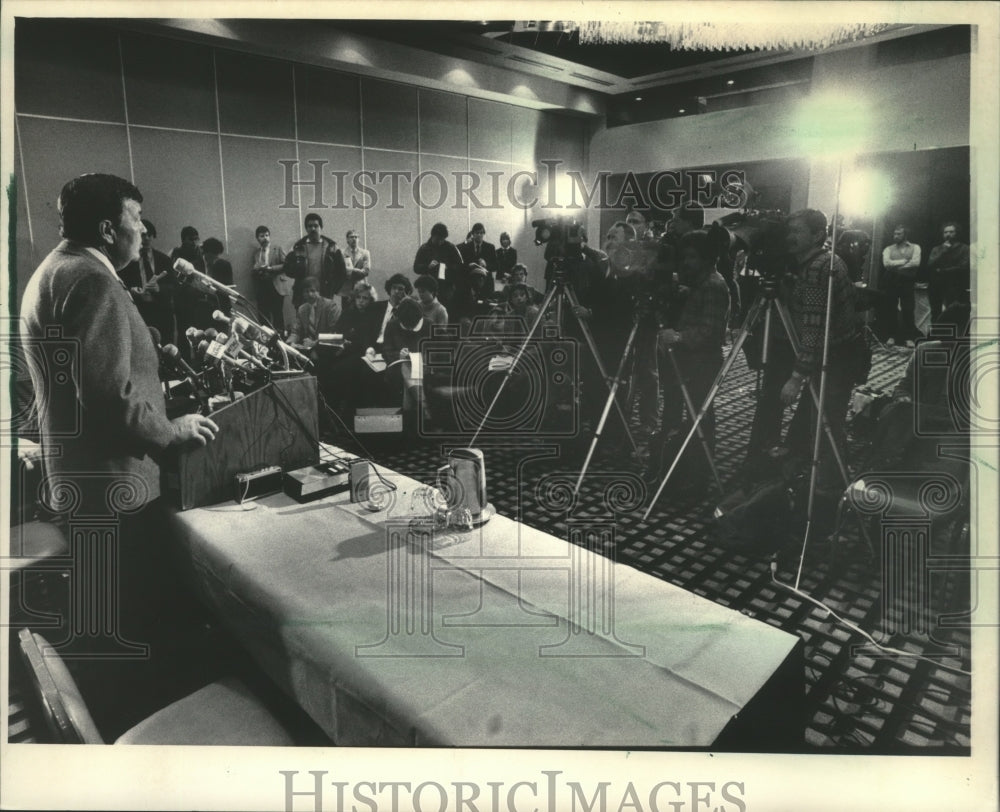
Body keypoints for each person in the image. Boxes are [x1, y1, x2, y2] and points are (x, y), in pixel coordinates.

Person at [20, 173, 219, 734]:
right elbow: (109, 399)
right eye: (136, 219)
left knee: (104, 609)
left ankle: (113, 709)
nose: (143, 229)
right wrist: (171, 431)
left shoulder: (52, 271)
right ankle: (150, 725)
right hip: (111, 482)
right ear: (109, 229)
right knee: (133, 615)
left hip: (80, 474)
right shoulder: (93, 282)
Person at [745, 208, 869, 484]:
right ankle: (815, 480)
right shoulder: (825, 261)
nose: (790, 238)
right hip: (841, 352)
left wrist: (796, 377)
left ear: (817, 235)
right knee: (820, 421)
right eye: (789, 231)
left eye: (797, 232)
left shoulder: (816, 269)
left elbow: (814, 329)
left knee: (826, 423)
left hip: (836, 356)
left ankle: (830, 485)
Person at [647, 230, 731, 489]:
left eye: (692, 257)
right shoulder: (696, 282)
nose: (686, 263)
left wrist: (678, 336)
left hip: (702, 362)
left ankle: (697, 475)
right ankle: (668, 467)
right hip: (683, 360)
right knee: (672, 412)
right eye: (684, 257)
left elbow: (710, 332)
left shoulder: (714, 285)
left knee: (700, 418)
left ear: (707, 258)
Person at [119, 217, 176, 346]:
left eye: (150, 235)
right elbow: (119, 285)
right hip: (139, 313)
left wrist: (159, 288)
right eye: (143, 235)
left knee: (166, 352)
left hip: (162, 314)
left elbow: (174, 287)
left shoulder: (164, 259)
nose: (147, 239)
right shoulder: (127, 261)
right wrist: (132, 291)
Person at [382, 297, 432, 432]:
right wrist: (398, 354)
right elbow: (386, 350)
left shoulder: (429, 325)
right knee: (405, 366)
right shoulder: (393, 325)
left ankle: (410, 418)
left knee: (409, 369)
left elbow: (439, 351)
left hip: (424, 366)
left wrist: (419, 356)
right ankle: (423, 407)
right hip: (399, 366)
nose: (410, 329)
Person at [283, 213, 348, 306]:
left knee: (324, 319)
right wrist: (298, 271)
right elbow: (287, 269)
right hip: (303, 294)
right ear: (306, 229)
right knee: (304, 318)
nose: (313, 229)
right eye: (310, 226)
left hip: (324, 293)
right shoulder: (298, 247)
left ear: (320, 227)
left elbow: (342, 271)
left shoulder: (332, 247)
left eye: (316, 226)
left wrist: (333, 288)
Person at [879, 224, 921, 346]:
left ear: (905, 235)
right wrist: (903, 262)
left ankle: (909, 338)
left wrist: (895, 266)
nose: (895, 236)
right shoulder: (888, 249)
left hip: (907, 281)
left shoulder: (916, 247)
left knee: (908, 308)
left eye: (899, 234)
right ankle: (892, 336)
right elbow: (886, 264)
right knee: (890, 308)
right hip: (891, 280)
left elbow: (916, 263)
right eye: (894, 234)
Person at [926, 221, 971, 322]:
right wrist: (943, 251)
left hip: (955, 284)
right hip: (936, 285)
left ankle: (952, 337)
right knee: (935, 312)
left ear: (957, 233)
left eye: (951, 232)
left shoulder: (964, 248)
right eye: (945, 232)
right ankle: (936, 335)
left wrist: (942, 271)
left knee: (953, 311)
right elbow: (930, 264)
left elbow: (963, 266)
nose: (948, 234)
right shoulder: (937, 249)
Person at [414, 222, 465, 310]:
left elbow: (460, 266)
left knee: (447, 311)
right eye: (438, 239)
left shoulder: (451, 247)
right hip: (428, 288)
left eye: (443, 239)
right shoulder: (424, 249)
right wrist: (427, 267)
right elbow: (416, 268)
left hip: (446, 288)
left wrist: (447, 267)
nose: (440, 242)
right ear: (432, 236)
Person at [251, 225, 290, 332]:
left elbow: (287, 265)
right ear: (257, 238)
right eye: (262, 236)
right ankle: (266, 339)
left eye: (267, 235)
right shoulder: (256, 253)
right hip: (263, 287)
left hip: (276, 286)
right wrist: (257, 270)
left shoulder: (277, 249)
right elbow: (254, 269)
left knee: (277, 314)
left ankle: (280, 339)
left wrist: (271, 268)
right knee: (263, 316)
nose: (265, 238)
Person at [287, 277, 343, 349]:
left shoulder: (330, 306)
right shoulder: (302, 309)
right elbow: (296, 332)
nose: (310, 294)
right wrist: (289, 343)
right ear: (303, 294)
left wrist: (314, 343)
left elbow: (335, 334)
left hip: (326, 348)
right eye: (306, 291)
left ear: (318, 292)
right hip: (307, 348)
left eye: (313, 291)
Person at [459, 222, 499, 290]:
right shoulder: (465, 247)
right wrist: (469, 265)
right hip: (470, 281)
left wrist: (486, 264)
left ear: (484, 234)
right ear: (473, 234)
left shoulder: (490, 247)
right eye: (477, 233)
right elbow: (461, 265)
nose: (479, 235)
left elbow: (496, 266)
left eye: (481, 233)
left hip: (486, 282)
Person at [343, 228, 371, 293]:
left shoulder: (365, 253)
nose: (354, 239)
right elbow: (341, 270)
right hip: (346, 288)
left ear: (358, 239)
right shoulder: (342, 253)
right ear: (347, 239)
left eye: (356, 237)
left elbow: (366, 271)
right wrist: (358, 270)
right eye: (352, 237)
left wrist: (351, 270)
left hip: (360, 287)